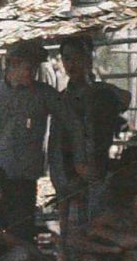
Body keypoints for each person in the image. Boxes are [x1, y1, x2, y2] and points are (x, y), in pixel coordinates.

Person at [0, 42, 74, 251]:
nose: (32, 74)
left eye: (36, 69)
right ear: (13, 65)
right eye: (29, 68)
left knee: (23, 233)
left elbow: (71, 121)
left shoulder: (44, 94)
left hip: (25, 179)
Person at [49, 36, 130, 196]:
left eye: (77, 58)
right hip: (68, 177)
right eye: (67, 58)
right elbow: (56, 144)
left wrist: (95, 88)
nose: (71, 64)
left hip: (96, 172)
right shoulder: (62, 99)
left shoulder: (103, 94)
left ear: (88, 60)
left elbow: (125, 98)